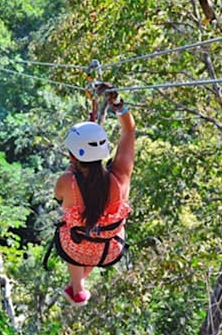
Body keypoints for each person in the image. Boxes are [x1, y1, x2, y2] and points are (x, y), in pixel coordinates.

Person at [53, 83, 135, 306]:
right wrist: (118, 105)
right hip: (110, 250)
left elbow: (59, 198)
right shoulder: (121, 177)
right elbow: (129, 131)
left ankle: (78, 288)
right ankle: (77, 288)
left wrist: (73, 170)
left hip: (77, 249)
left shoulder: (67, 182)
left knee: (73, 229)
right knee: (97, 231)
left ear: (72, 156)